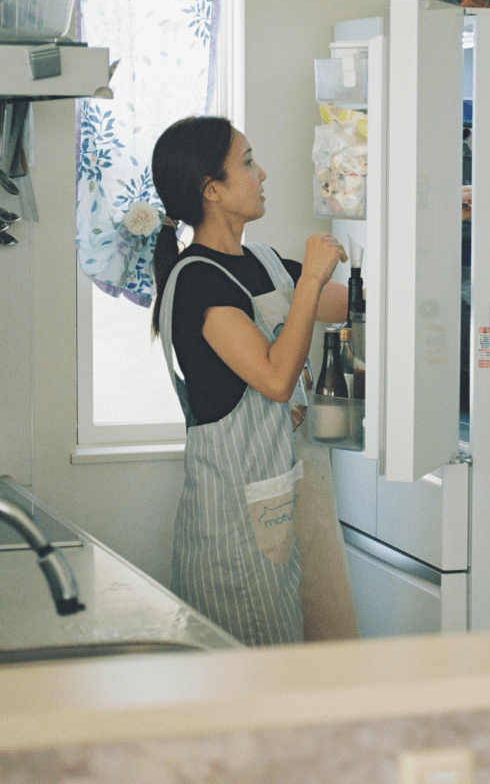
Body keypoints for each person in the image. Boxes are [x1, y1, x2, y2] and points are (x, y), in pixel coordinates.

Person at [150, 115, 359, 647]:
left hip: (285, 500)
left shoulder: (262, 262)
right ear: (212, 190)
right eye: (246, 162)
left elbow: (345, 304)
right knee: (255, 684)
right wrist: (310, 278)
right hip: (233, 531)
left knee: (301, 667)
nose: (261, 172)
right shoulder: (196, 280)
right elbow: (275, 379)